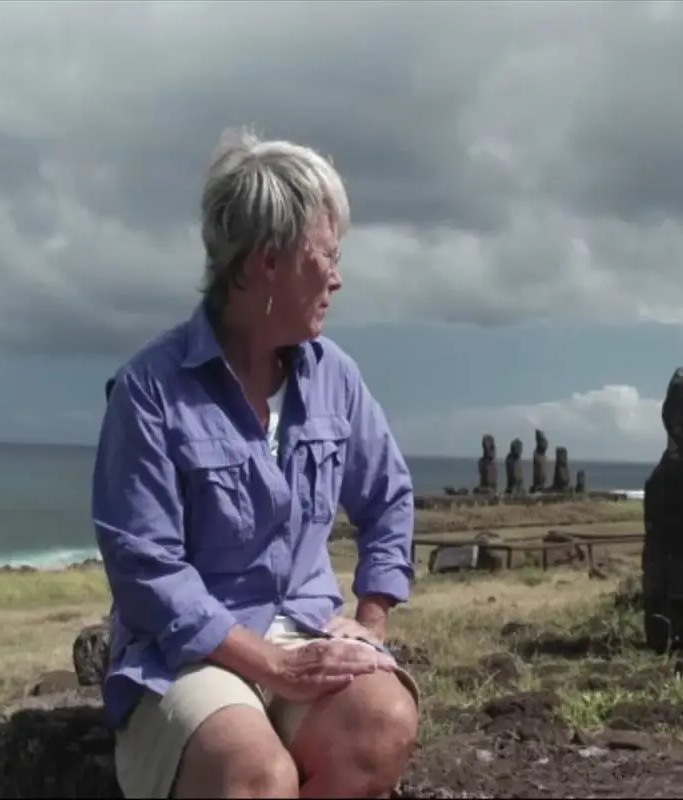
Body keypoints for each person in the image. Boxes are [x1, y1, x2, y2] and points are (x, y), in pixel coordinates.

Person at [92, 127, 418, 799]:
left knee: (383, 721)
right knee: (256, 775)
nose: (337, 277)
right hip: (186, 655)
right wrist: (267, 663)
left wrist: (371, 617)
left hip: (305, 628)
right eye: (323, 257)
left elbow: (388, 497)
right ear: (267, 263)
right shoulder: (150, 390)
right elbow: (146, 570)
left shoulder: (336, 379)